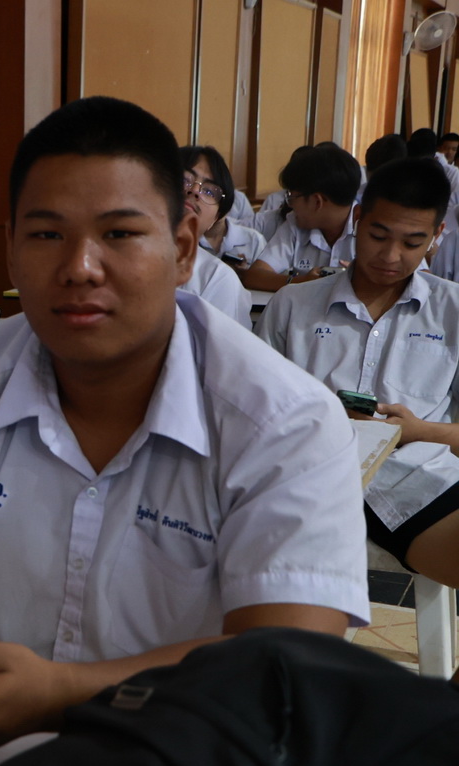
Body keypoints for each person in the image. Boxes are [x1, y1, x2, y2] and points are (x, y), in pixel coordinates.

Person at [0, 97, 369, 760]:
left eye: (119, 234)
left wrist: (60, 697)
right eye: (46, 235)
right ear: (11, 252)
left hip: (193, 756)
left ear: (182, 250)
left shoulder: (286, 420)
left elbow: (283, 666)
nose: (80, 267)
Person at [256, 157, 459, 590]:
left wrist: (419, 431)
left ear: (437, 235)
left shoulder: (452, 311)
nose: (390, 256)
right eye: (378, 236)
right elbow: (251, 413)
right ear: (358, 219)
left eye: (412, 243)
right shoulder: (293, 305)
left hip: (424, 477)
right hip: (312, 474)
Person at [241, 143, 362, 291]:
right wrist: (302, 282)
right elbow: (254, 276)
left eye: (292, 198)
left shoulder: (368, 227)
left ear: (317, 202)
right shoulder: (295, 224)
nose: (290, 205)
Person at [177, 144, 255, 325]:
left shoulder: (218, 278)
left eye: (209, 191)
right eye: (184, 179)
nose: (194, 190)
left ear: (216, 218)